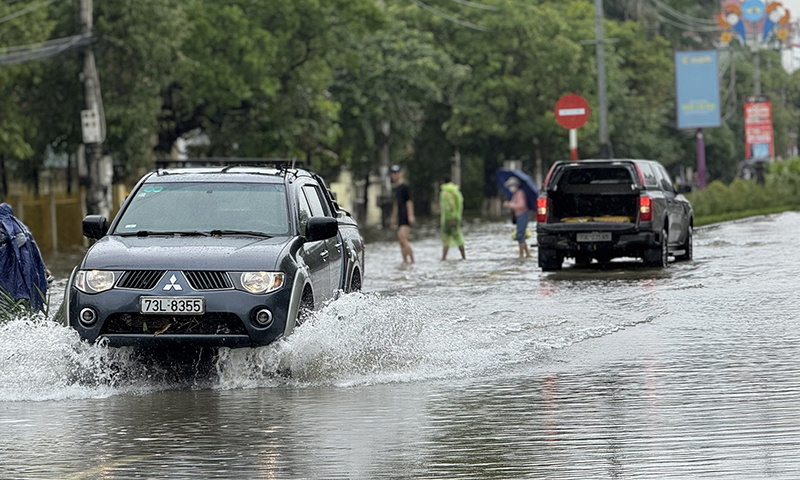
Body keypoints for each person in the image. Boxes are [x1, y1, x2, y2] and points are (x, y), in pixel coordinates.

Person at [0, 203, 48, 311]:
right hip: (28, 270)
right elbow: (36, 252)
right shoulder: (22, 229)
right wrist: (44, 268)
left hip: (15, 272)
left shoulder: (10, 231)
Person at [390, 165, 415, 264]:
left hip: (405, 215)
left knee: (403, 238)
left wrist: (410, 215)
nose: (395, 176)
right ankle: (405, 261)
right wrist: (394, 217)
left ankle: (412, 260)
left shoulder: (405, 187)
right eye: (393, 174)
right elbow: (396, 204)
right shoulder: (397, 188)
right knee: (401, 240)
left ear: (400, 174)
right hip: (400, 215)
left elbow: (409, 202)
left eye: (396, 173)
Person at [503, 177, 532, 259]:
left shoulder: (520, 193)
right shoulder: (515, 195)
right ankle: (527, 254)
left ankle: (521, 255)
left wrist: (509, 205)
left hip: (522, 215)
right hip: (518, 216)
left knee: (520, 235)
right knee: (521, 235)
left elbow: (521, 205)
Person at [440, 176, 466, 261]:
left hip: (448, 219)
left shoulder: (445, 193)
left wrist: (450, 218)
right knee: (458, 236)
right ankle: (463, 257)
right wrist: (457, 216)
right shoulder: (456, 191)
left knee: (446, 237)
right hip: (457, 217)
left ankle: (443, 258)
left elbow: (447, 206)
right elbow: (460, 204)